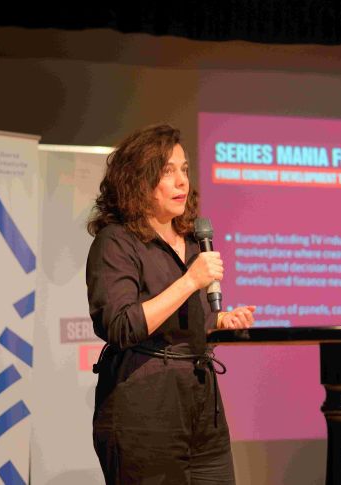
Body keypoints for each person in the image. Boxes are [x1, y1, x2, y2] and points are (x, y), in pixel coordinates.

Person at [85, 124, 255, 484]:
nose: (182, 182)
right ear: (138, 180)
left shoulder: (193, 240)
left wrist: (217, 321)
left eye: (185, 170)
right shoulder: (116, 242)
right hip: (144, 415)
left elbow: (180, 320)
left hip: (203, 412)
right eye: (167, 171)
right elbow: (120, 325)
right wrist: (190, 281)